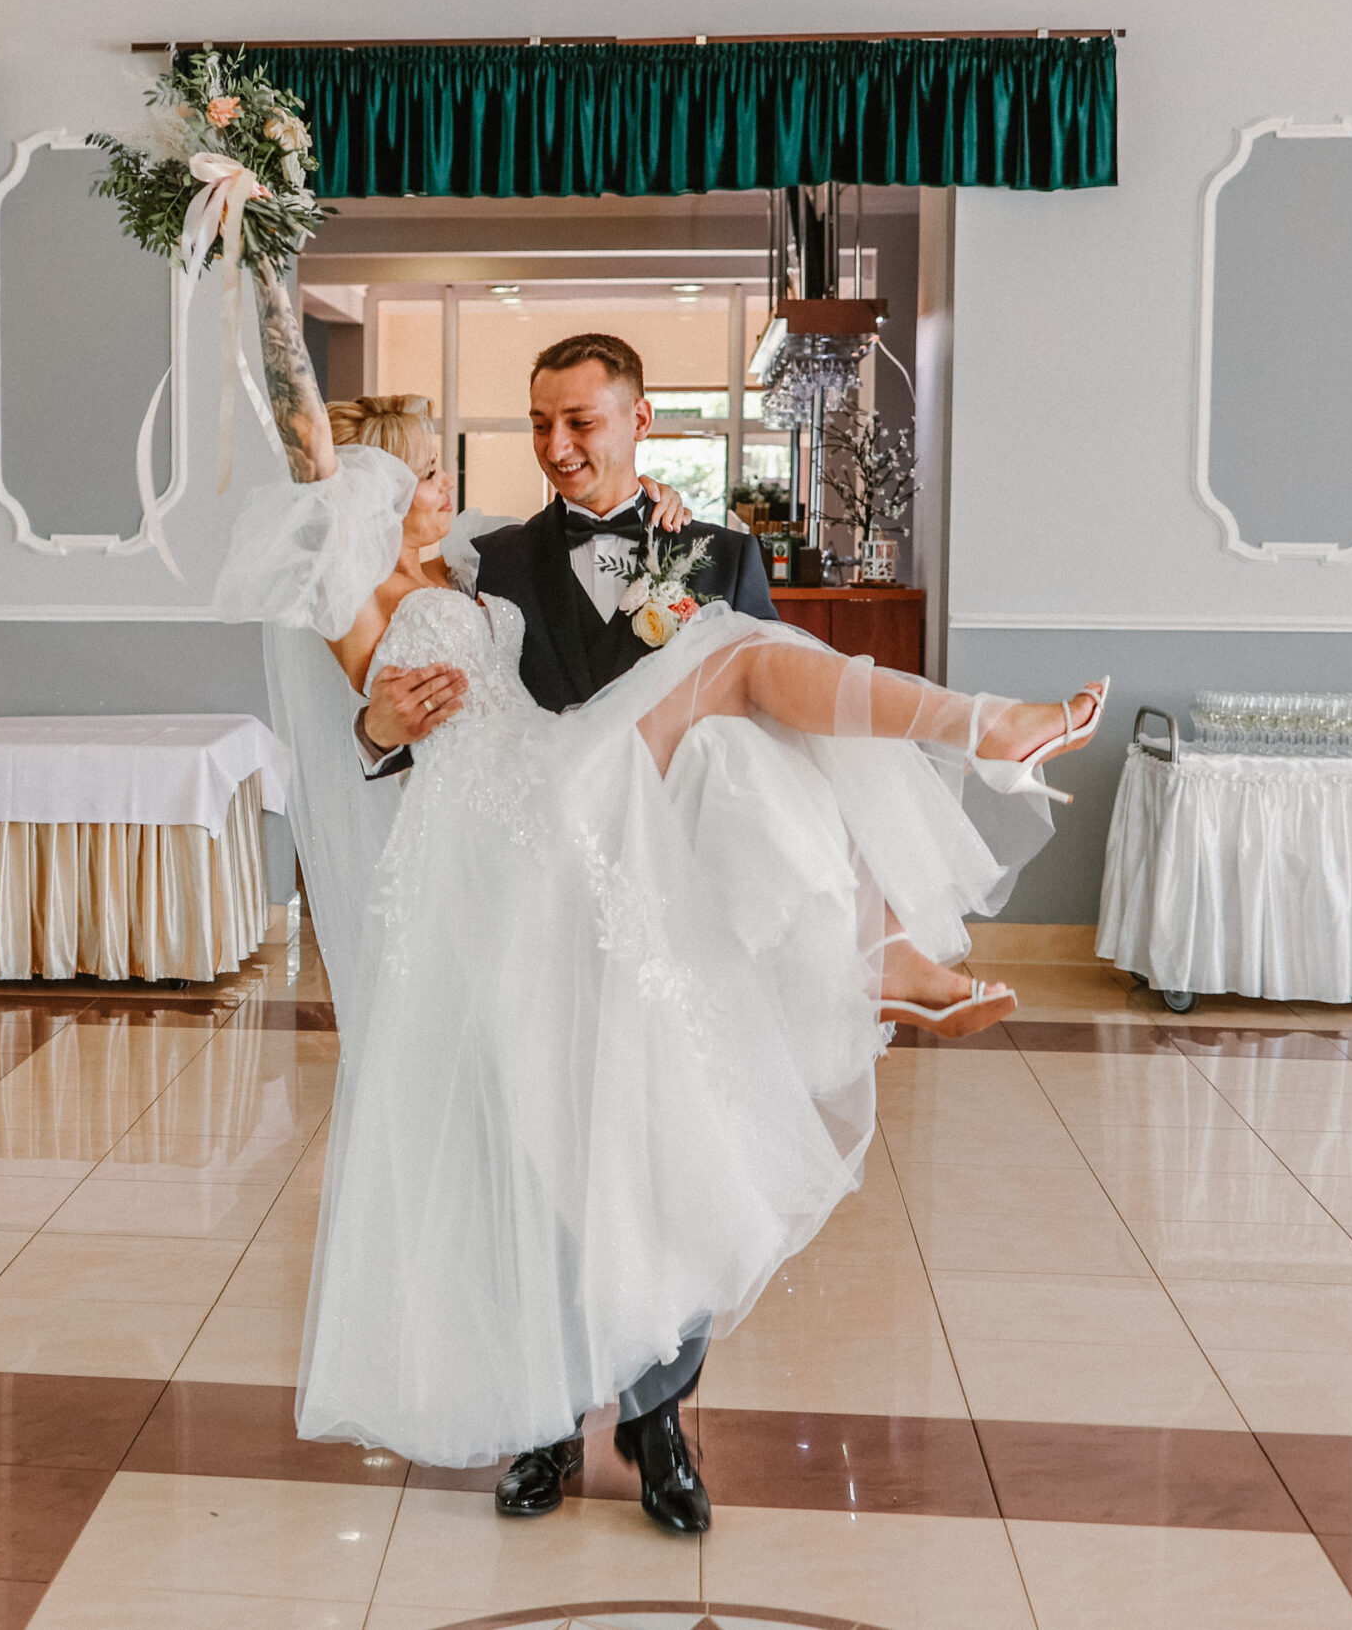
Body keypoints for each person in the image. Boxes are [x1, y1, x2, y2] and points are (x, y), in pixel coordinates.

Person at [216, 259, 1101, 1532]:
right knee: (531, 1153)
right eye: (531, 427)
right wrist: (260, 254)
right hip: (512, 863)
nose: (545, 449)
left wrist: (665, 554)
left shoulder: (699, 550)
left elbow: (781, 750)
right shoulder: (481, 564)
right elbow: (334, 548)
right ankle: (541, 1424)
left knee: (666, 1144)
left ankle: (657, 1421)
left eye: (577, 422)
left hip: (659, 880)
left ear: (640, 421)